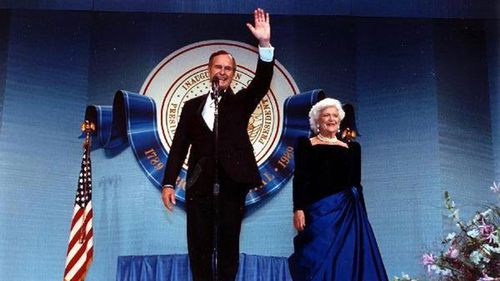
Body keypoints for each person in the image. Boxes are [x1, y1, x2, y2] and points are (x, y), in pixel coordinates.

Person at [161, 8, 274, 281]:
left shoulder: (240, 102)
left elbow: (261, 82)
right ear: (208, 70)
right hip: (200, 185)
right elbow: (178, 147)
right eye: (218, 67)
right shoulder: (191, 107)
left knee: (227, 246)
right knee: (198, 246)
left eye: (228, 68)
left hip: (232, 185)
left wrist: (264, 45)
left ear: (233, 74)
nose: (222, 72)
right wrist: (168, 182)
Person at [288, 98, 389, 281]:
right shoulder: (306, 144)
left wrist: (363, 218)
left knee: (349, 261)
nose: (331, 119)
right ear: (317, 120)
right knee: (318, 260)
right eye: (326, 115)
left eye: (335, 115)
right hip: (319, 213)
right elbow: (300, 178)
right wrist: (298, 208)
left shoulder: (352, 148)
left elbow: (357, 185)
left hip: (349, 214)